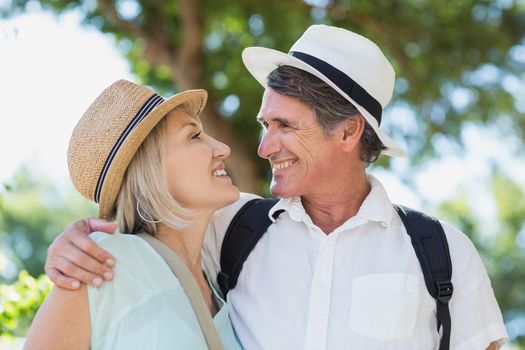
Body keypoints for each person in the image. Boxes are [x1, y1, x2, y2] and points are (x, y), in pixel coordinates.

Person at [43, 25, 507, 350]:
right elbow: (146, 227)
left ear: (347, 133)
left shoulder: (441, 254)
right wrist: (75, 240)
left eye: (285, 126)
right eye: (265, 124)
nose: (264, 147)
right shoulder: (230, 228)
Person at [24, 80, 242, 349]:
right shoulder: (102, 261)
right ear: (151, 169)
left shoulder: (223, 278)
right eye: (193, 136)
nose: (222, 148)